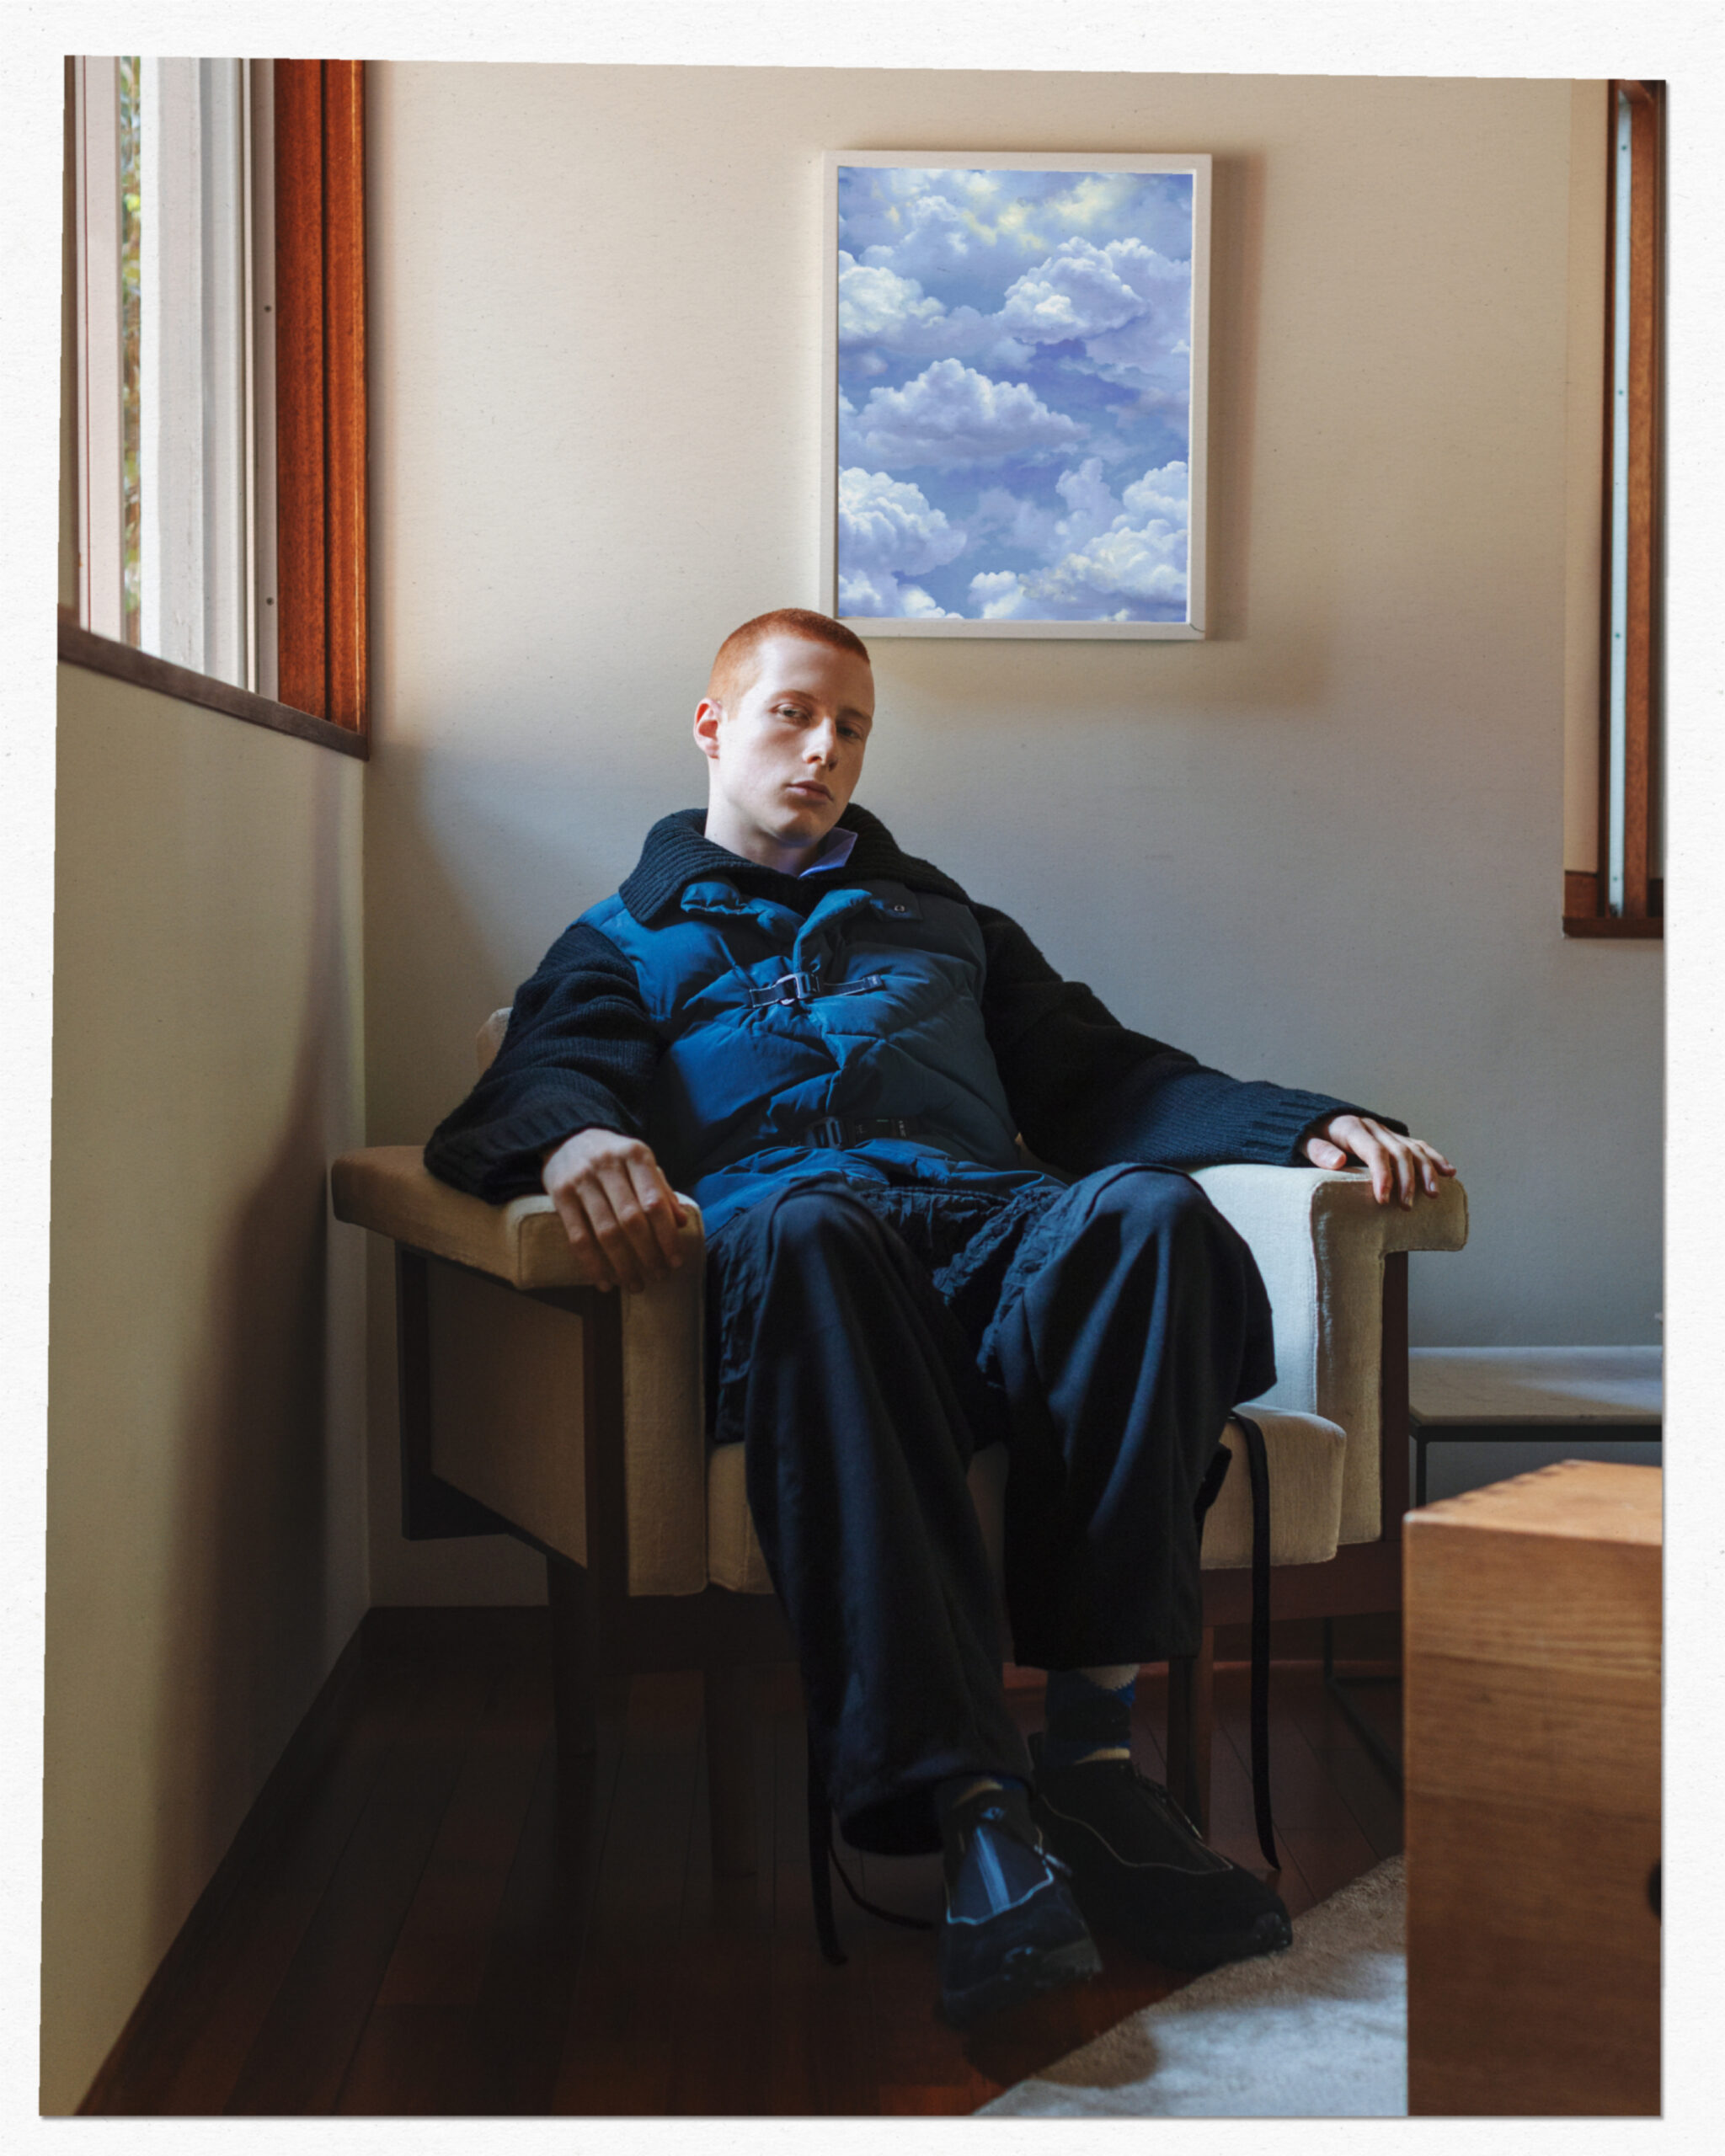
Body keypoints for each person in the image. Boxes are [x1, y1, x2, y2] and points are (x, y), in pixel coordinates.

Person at [425, 608, 1455, 2028]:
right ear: (714, 727)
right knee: (813, 1229)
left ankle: (1092, 1772)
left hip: (989, 1236)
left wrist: (1301, 1123)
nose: (824, 748)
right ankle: (969, 1808)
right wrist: (572, 1139)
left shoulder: (949, 922)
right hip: (806, 1273)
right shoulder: (618, 941)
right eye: (792, 714)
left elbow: (1106, 1078)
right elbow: (532, 1082)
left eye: (850, 726)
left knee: (1149, 1214)